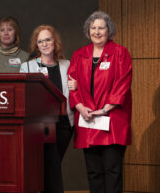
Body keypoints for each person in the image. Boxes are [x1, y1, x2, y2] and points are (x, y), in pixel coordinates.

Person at [68, 11, 132, 193]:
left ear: (108, 30)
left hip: (112, 121)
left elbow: (122, 85)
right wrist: (81, 108)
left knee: (112, 171)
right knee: (94, 172)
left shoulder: (120, 53)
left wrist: (103, 110)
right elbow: (72, 86)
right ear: (88, 31)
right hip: (88, 121)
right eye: (93, 28)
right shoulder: (79, 55)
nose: (97, 31)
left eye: (101, 28)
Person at [20, 25, 75, 193]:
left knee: (51, 164)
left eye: (48, 39)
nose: (44, 44)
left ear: (55, 41)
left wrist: (76, 85)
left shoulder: (67, 64)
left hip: (64, 123)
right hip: (41, 125)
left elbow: (76, 91)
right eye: (40, 41)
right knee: (51, 163)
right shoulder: (28, 67)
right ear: (36, 45)